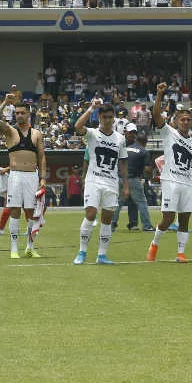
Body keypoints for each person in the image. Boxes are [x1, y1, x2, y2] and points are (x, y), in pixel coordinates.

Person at [147, 83, 192, 263]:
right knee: (168, 218)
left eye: (188, 120)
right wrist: (159, 94)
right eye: (182, 119)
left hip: (188, 184)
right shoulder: (169, 133)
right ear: (176, 121)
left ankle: (180, 253)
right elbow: (156, 115)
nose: (185, 122)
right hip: (170, 181)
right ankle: (154, 244)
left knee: (185, 219)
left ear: (191, 122)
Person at [0, 93, 48, 258]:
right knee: (15, 210)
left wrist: (43, 178)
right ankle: (14, 248)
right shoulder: (10, 131)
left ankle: (30, 247)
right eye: (17, 113)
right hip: (15, 175)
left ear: (29, 114)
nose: (20, 115)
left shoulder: (37, 134)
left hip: (32, 175)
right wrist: (5, 103)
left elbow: (42, 157)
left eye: (23, 112)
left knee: (31, 212)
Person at [73, 100, 129, 265]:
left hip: (111, 182)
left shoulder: (120, 138)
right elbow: (77, 126)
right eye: (104, 117)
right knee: (90, 214)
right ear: (99, 117)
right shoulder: (92, 133)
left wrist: (126, 185)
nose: (107, 120)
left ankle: (102, 255)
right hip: (94, 180)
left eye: (110, 117)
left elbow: (123, 163)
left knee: (107, 219)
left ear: (114, 119)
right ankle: (82, 252)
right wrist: (91, 109)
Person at [118, 124, 154, 231]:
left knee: (119, 203)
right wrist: (148, 175)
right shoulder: (144, 151)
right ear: (145, 142)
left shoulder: (126, 148)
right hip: (133, 178)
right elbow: (147, 169)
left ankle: (113, 225)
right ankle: (147, 226)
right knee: (141, 202)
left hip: (120, 177)